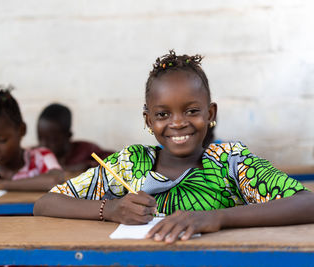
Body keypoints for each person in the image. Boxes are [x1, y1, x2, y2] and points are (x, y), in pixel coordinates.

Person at [33, 50, 314, 243]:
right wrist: (111, 209)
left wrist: (216, 218)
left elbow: (307, 202)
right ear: (148, 119)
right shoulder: (130, 163)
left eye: (191, 111)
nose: (177, 123)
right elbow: (45, 204)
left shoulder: (230, 161)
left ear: (210, 114)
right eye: (163, 114)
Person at [37, 103, 114, 173]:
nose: (43, 144)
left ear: (68, 135)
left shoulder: (86, 150)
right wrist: (71, 169)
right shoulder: (35, 155)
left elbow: (113, 163)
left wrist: (88, 166)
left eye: (52, 140)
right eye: (40, 138)